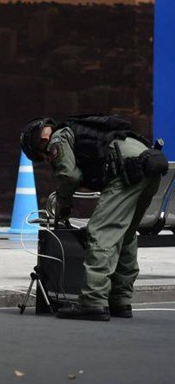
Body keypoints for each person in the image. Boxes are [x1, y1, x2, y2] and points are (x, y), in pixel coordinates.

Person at [20, 115, 167, 321]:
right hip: (148, 166)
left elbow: (69, 176)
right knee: (125, 235)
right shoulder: (79, 131)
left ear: (41, 141)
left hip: (127, 171)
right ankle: (120, 300)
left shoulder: (57, 138)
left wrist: (63, 203)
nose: (47, 160)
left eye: (42, 157)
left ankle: (92, 301)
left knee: (100, 232)